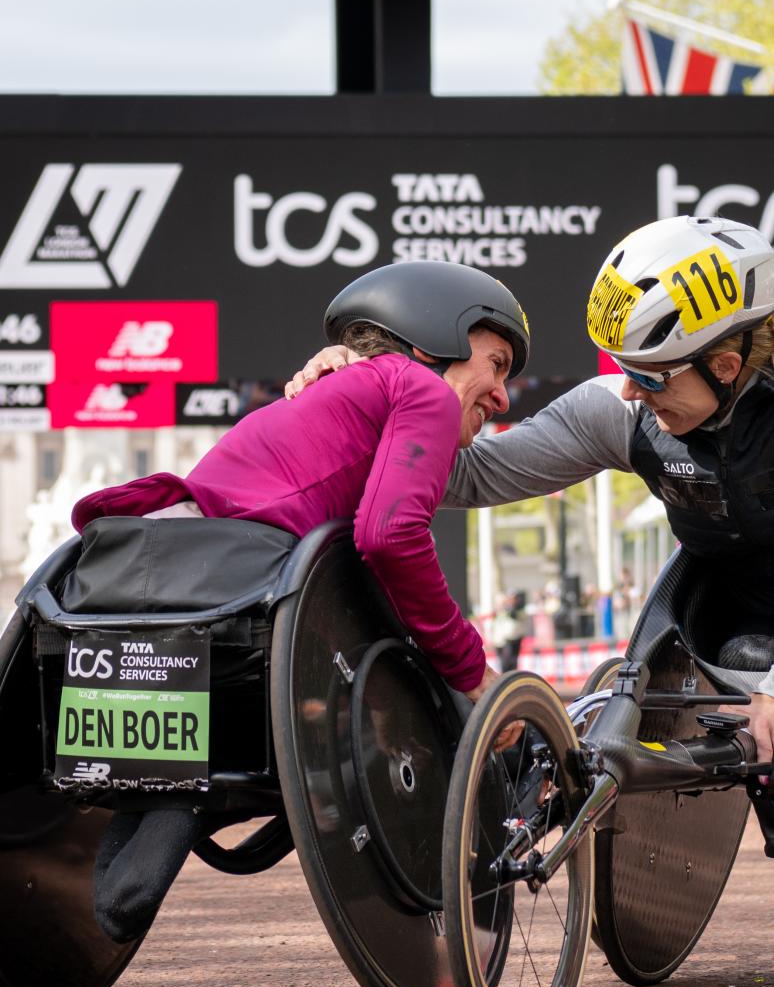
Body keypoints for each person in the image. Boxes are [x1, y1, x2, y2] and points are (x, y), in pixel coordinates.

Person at [68, 260, 530, 941]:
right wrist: (471, 669)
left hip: (143, 571)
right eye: (496, 365)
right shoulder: (421, 391)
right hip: (230, 589)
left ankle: (167, 797)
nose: (503, 396)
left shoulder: (344, 389)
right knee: (444, 676)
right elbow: (391, 536)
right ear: (437, 343)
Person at [288, 215, 774, 776]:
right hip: (725, 621)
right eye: (623, 367)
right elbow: (467, 473)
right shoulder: (620, 414)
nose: (630, 390)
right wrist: (362, 391)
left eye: (653, 375)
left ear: (724, 366)